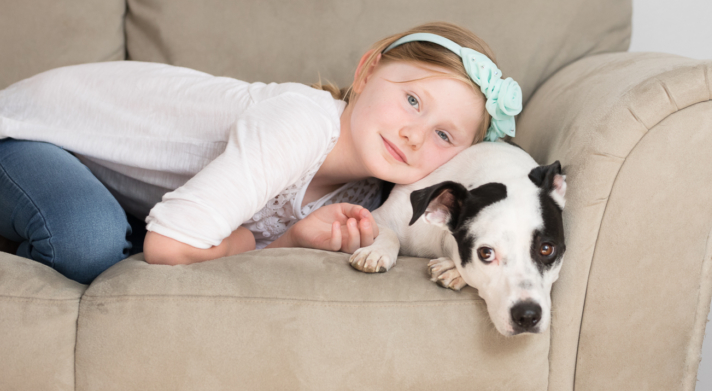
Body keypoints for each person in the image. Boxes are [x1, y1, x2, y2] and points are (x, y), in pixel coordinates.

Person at [0, 22, 522, 284]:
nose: (414, 135)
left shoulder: (363, 197)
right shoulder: (298, 124)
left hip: (108, 184)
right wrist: (242, 241)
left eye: (444, 137)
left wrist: (290, 240)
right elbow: (165, 248)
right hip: (34, 132)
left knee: (112, 238)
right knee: (88, 241)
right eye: (412, 100)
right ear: (366, 72)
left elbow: (220, 242)